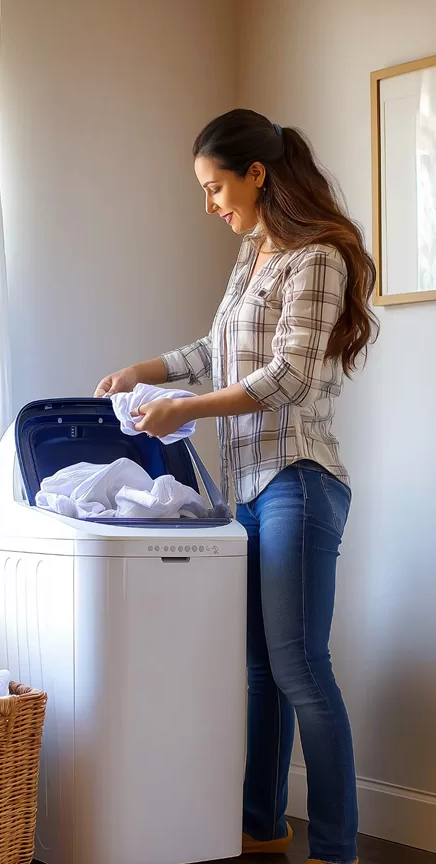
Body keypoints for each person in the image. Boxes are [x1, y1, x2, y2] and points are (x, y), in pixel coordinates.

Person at [95, 109, 377, 864]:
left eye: (215, 186)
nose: (210, 203)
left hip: (299, 480)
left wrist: (185, 407)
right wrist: (146, 372)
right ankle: (260, 825)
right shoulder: (254, 255)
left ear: (257, 174)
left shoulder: (316, 258)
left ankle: (339, 849)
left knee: (301, 668)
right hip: (246, 489)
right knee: (259, 669)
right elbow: (214, 349)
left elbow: (287, 377)